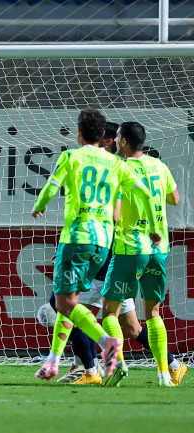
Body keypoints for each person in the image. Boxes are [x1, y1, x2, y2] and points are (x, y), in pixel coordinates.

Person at [31, 108, 161, 382]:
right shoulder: (117, 164)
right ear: (102, 135)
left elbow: (50, 189)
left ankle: (101, 349)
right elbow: (147, 195)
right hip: (104, 246)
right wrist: (154, 228)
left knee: (63, 303)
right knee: (71, 302)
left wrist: (39, 207)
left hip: (78, 237)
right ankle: (55, 361)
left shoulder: (71, 157)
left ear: (79, 133)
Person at [100, 121, 186, 387]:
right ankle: (165, 375)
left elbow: (115, 214)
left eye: (117, 137)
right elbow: (175, 198)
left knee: (109, 313)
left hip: (130, 246)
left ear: (124, 141)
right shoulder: (159, 165)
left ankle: (117, 366)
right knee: (153, 313)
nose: (115, 141)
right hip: (159, 248)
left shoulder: (119, 168)